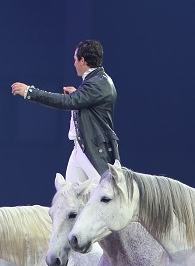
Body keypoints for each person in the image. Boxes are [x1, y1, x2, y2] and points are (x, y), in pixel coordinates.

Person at [11, 39, 120, 182]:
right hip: (81, 147)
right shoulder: (96, 80)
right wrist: (77, 94)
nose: (73, 63)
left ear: (83, 61)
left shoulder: (98, 83)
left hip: (94, 149)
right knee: (70, 197)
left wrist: (30, 92)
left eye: (75, 59)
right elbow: (83, 101)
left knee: (106, 195)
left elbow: (68, 102)